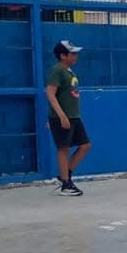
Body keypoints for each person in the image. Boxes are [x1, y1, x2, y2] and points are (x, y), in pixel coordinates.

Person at [45, 40, 90, 196]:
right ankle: (66, 184)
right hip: (64, 117)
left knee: (85, 145)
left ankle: (66, 175)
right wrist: (60, 116)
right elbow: (50, 93)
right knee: (64, 148)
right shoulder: (57, 70)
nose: (76, 56)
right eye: (72, 53)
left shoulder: (68, 71)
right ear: (63, 55)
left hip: (74, 116)